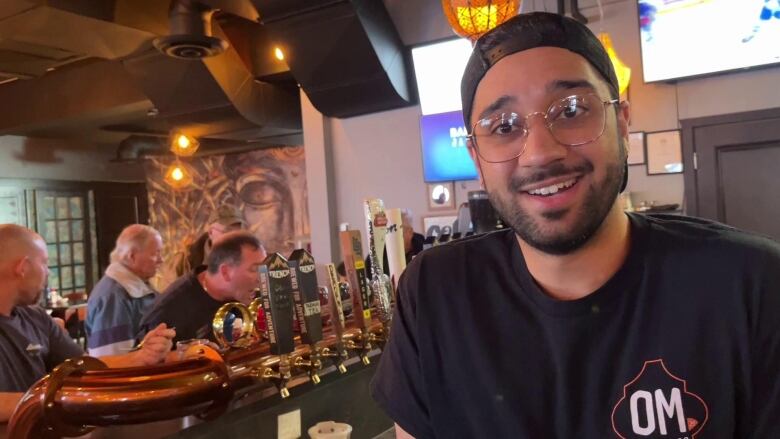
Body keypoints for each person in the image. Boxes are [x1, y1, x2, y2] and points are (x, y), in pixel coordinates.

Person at [370, 12, 780, 439]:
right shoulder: (436, 294)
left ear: (621, 121)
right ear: (476, 158)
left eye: (571, 110)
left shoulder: (750, 285)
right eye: (504, 126)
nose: (540, 153)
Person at [0, 224, 174, 423]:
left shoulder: (36, 318)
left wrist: (142, 357)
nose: (48, 273)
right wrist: (57, 399)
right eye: (45, 263)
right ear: (23, 267)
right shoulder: (113, 295)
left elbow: (84, 366)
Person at [140, 231, 266, 347]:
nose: (261, 277)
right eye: (254, 269)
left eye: (264, 268)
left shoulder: (254, 295)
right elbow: (144, 363)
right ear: (226, 272)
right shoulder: (168, 313)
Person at [85, 224, 163, 356]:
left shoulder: (136, 286)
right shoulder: (114, 297)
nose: (161, 260)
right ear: (132, 256)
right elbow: (111, 361)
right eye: (156, 254)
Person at [176, 204, 246, 276]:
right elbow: (172, 286)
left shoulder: (249, 258)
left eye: (237, 233)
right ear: (210, 232)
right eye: (227, 232)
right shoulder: (187, 259)